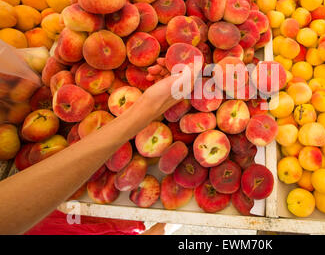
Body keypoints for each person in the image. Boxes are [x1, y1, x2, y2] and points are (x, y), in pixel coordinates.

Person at [0, 64, 200, 235]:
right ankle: (160, 228)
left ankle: (159, 227)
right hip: (43, 205)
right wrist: (146, 109)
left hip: (39, 206)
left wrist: (144, 109)